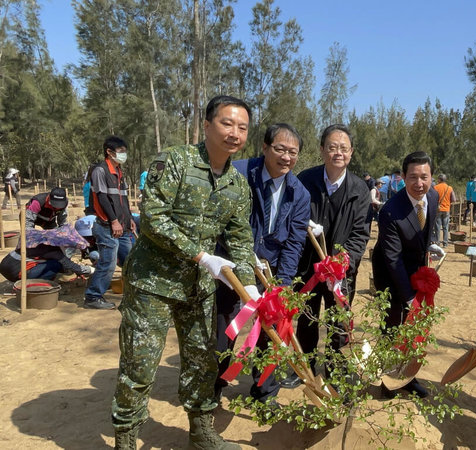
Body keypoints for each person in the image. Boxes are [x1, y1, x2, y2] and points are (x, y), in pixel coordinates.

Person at [111, 95, 257, 450]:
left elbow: (239, 237)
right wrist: (201, 255)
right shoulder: (176, 161)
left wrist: (249, 284)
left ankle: (201, 430)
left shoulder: (237, 186)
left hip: (198, 289)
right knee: (140, 363)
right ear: (206, 126)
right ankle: (126, 437)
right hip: (153, 284)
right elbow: (153, 219)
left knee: (202, 361)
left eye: (242, 127)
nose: (234, 133)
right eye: (227, 123)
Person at [214, 122, 310, 404]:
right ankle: (214, 387)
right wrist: (241, 257)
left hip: (272, 269)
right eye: (280, 149)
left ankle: (264, 391)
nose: (286, 157)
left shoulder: (299, 192)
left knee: (271, 333)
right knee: (225, 328)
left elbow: (294, 242)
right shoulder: (239, 173)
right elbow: (221, 220)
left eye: (293, 152)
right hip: (231, 267)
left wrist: (282, 284)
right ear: (265, 147)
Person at [282, 124, 371, 388]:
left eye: (343, 148)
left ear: (351, 153)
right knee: (307, 318)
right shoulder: (304, 181)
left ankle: (335, 371)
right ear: (322, 150)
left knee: (338, 321)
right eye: (332, 147)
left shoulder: (360, 189)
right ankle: (305, 367)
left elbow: (360, 234)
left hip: (340, 272)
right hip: (308, 267)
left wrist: (342, 263)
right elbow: (292, 221)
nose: (338, 153)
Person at [372, 151, 443, 398]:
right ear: (403, 177)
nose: (419, 183)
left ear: (431, 176)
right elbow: (392, 258)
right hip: (390, 274)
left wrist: (429, 247)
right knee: (393, 326)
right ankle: (388, 380)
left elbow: (425, 232)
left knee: (415, 330)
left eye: (424, 177)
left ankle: (408, 377)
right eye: (413, 177)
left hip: (417, 270)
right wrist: (410, 298)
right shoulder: (391, 210)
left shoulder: (432, 196)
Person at [83, 136, 135, 310]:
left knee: (130, 260)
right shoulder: (100, 170)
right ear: (109, 152)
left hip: (123, 226)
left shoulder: (119, 172)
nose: (123, 155)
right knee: (108, 263)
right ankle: (93, 296)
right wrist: (114, 221)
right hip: (107, 226)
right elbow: (102, 198)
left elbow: (124, 200)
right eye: (121, 151)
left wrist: (130, 220)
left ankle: (134, 293)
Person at [432, 174, 456, 246]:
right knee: (445, 227)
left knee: (437, 227)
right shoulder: (449, 188)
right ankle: (445, 243)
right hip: (446, 209)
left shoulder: (435, 187)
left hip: (438, 209)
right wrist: (448, 203)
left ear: (439, 179)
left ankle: (437, 242)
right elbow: (454, 199)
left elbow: (433, 198)